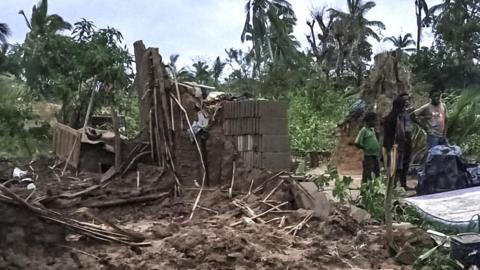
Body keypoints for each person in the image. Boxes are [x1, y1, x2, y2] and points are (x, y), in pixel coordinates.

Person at [383, 97, 407, 188]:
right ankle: (390, 186)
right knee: (392, 167)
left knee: (399, 166)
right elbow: (388, 135)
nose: (405, 108)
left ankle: (395, 185)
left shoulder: (401, 118)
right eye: (403, 106)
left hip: (400, 145)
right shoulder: (390, 118)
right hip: (392, 146)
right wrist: (389, 148)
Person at [353, 112, 380, 183]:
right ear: (369, 120)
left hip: (375, 155)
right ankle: (365, 190)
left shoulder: (372, 130)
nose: (376, 122)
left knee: (376, 172)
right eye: (374, 120)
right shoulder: (364, 130)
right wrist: (366, 148)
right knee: (367, 173)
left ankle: (374, 189)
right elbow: (357, 142)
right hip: (368, 156)